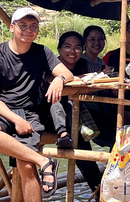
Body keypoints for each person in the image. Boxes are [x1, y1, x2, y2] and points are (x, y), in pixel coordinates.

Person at [0, 7, 76, 202]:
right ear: (12, 27)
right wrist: (14, 119)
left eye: (33, 26)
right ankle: (45, 163)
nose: (28, 30)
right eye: (23, 26)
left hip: (30, 114)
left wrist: (59, 80)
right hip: (1, 111)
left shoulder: (42, 52)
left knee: (25, 165)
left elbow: (67, 72)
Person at [41, 31, 105, 190]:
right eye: (67, 47)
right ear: (59, 49)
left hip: (73, 122)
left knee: (81, 146)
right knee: (60, 97)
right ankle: (62, 135)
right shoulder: (51, 65)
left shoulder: (83, 64)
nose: (72, 51)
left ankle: (98, 191)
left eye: (77, 47)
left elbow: (99, 75)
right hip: (46, 117)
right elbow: (51, 81)